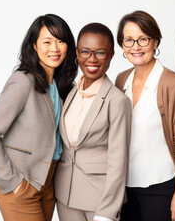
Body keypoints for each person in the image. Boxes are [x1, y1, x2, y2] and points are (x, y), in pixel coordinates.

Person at [0, 14, 77, 221]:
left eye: (61, 41)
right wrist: (12, 183)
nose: (55, 48)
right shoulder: (23, 81)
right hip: (23, 184)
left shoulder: (65, 87)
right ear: (34, 45)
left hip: (49, 184)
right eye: (47, 41)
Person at [115, 10, 175, 221]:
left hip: (161, 187)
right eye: (129, 40)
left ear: (155, 42)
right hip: (124, 188)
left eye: (143, 39)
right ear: (122, 44)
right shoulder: (121, 80)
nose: (136, 47)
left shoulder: (173, 83)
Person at [54, 22, 132, 221]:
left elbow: (118, 161)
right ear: (77, 54)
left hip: (99, 200)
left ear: (112, 55)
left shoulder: (117, 101)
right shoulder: (71, 92)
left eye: (100, 53)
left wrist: (107, 212)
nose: (92, 59)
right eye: (85, 52)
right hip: (65, 195)